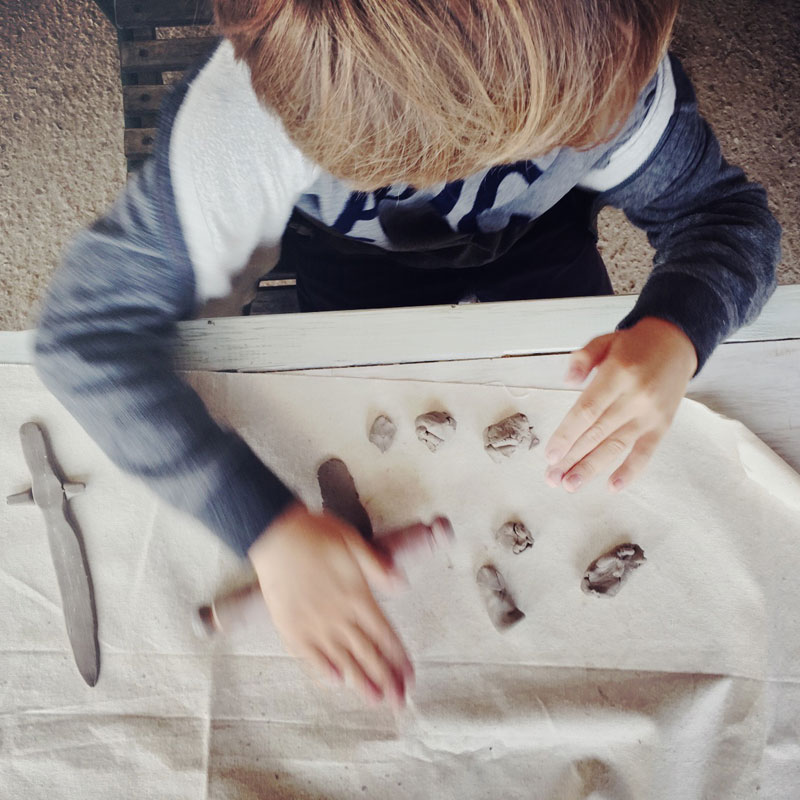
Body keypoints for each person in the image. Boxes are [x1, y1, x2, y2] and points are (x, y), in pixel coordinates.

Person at [34, 0, 780, 710]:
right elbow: (85, 337)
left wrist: (678, 331)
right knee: (373, 443)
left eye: (541, 144)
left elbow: (723, 215)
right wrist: (267, 527)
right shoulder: (244, 125)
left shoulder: (604, 52)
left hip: (540, 254)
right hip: (350, 269)